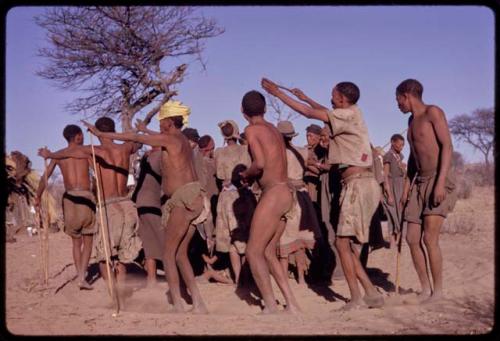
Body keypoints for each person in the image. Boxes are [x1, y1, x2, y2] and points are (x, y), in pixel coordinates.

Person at [261, 78, 384, 310]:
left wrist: (277, 93)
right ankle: (369, 292)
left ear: (341, 98)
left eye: (333, 95)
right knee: (344, 244)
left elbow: (310, 114)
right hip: (358, 184)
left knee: (341, 242)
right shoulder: (350, 114)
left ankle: (357, 298)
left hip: (358, 185)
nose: (330, 98)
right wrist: (304, 97)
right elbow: (322, 111)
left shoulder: (346, 115)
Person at [82, 100, 211, 314]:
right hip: (194, 198)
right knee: (180, 254)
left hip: (183, 200)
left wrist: (100, 134)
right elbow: (150, 137)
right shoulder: (181, 139)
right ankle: (198, 303)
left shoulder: (169, 138)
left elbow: (135, 138)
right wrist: (146, 129)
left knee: (168, 255)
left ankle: (178, 304)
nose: (160, 125)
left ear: (169, 122)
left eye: (161, 122)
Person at [39, 118, 143, 296]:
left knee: (105, 254)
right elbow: (138, 139)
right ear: (113, 129)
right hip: (127, 205)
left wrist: (50, 155)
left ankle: (113, 292)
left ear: (96, 132)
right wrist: (105, 134)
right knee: (124, 254)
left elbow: (70, 152)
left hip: (108, 206)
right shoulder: (126, 148)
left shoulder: (95, 151)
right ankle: (122, 288)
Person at [239, 90, 302, 314]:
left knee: (253, 252)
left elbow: (260, 163)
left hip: (274, 193)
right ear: (265, 109)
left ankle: (271, 305)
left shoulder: (251, 129)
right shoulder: (273, 129)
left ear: (243, 112)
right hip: (287, 193)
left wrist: (247, 174)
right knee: (267, 252)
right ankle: (291, 304)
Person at [396, 79, 457, 304]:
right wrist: (405, 189)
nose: (398, 105)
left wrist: (440, 183)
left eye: (398, 100)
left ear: (407, 95)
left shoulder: (433, 112)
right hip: (418, 183)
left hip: (438, 179)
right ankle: (424, 288)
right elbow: (414, 157)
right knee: (412, 238)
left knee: (429, 237)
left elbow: (447, 146)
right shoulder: (411, 121)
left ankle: (438, 291)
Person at [36, 125, 96, 290]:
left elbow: (45, 177)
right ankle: (82, 276)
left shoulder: (58, 155)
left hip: (69, 199)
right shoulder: (85, 152)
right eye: (81, 135)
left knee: (76, 242)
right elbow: (97, 173)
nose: (82, 138)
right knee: (88, 240)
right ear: (77, 136)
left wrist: (37, 195)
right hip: (85, 197)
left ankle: (80, 275)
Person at [276, 120, 322, 285]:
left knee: (284, 239)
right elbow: (314, 166)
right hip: (302, 196)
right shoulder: (302, 151)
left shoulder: (278, 154)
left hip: (286, 196)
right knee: (299, 241)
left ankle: (283, 279)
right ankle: (301, 278)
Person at [214, 120, 252, 285]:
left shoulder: (219, 152)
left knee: (231, 240)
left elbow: (220, 176)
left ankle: (237, 277)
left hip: (225, 198)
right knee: (244, 237)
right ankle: (246, 276)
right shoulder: (245, 151)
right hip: (241, 196)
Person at [131, 145, 165, 287]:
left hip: (140, 202)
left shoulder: (147, 157)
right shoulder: (160, 156)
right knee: (163, 241)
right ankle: (174, 277)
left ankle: (151, 279)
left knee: (149, 241)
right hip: (153, 203)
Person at [382, 134, 407, 247]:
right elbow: (385, 175)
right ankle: (392, 241)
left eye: (403, 145)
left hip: (401, 186)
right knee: (392, 213)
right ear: (392, 142)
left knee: (401, 212)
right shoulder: (388, 156)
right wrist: (389, 193)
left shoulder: (399, 156)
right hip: (392, 187)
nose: (402, 147)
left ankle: (400, 239)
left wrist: (403, 169)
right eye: (400, 144)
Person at [304, 124, 323, 204]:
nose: (308, 138)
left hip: (316, 185)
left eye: (311, 136)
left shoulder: (321, 151)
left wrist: (308, 164)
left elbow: (321, 172)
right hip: (305, 184)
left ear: (318, 137)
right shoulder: (306, 149)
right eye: (307, 136)